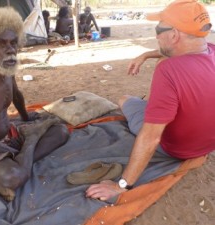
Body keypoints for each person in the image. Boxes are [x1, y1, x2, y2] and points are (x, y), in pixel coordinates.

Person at [86, 0, 215, 201]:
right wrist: (146, 54)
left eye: (159, 29)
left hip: (177, 148)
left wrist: (122, 186)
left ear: (173, 35)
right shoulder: (211, 50)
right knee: (166, 61)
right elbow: (177, 52)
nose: (156, 35)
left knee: (125, 99)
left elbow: (151, 137)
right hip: (205, 145)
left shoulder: (169, 71)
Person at [0, 6, 69, 201]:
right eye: (1, 43)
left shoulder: (7, 65)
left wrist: (25, 117)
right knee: (13, 176)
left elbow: (16, 95)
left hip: (10, 135)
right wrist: (26, 145)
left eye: (13, 42)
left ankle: (21, 160)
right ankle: (26, 154)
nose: (10, 49)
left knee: (61, 131)